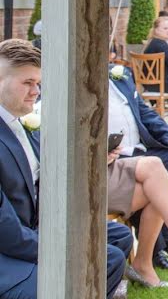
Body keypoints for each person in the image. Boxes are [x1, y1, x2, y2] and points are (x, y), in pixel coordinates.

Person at [0, 39, 132, 299]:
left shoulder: (20, 125)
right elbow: (6, 229)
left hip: (33, 225)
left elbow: (44, 177)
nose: (36, 91)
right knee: (105, 258)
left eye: (38, 84)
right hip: (8, 248)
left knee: (116, 240)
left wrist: (96, 162)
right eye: (27, 83)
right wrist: (64, 248)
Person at [107, 64, 168, 270]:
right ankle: (162, 245)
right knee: (153, 177)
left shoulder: (118, 74)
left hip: (139, 150)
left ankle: (167, 232)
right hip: (113, 158)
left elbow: (144, 112)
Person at [106, 148, 168, 288]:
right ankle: (145, 263)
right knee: (157, 191)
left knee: (154, 165)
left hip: (108, 164)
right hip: (82, 173)